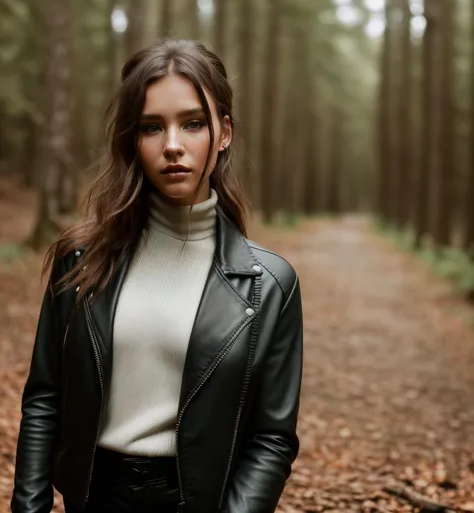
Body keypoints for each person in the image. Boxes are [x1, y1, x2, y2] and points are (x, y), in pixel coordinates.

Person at [10, 39, 303, 513]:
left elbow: (271, 437)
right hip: (94, 497)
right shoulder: (81, 260)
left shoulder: (268, 284)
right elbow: (45, 399)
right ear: (132, 139)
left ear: (223, 132)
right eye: (151, 127)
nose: (172, 146)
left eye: (192, 124)